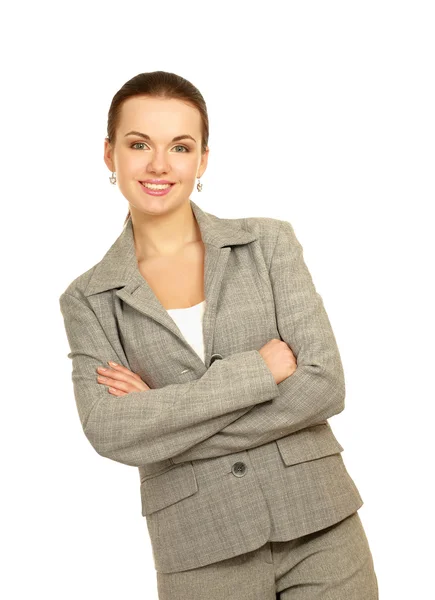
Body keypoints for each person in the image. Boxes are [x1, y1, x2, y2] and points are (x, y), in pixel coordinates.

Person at [59, 70, 379, 599]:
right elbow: (111, 431)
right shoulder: (89, 298)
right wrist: (258, 373)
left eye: (180, 147)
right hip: (198, 548)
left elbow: (325, 385)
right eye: (139, 144)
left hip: (321, 523)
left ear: (202, 159)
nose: (159, 165)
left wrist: (165, 422)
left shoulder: (269, 244)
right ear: (110, 153)